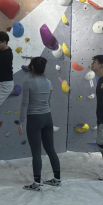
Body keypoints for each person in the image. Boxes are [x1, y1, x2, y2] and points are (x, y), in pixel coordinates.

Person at [18, 57, 61, 191]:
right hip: (47, 117)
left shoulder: (28, 82)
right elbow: (49, 102)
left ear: (31, 67)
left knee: (36, 152)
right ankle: (57, 179)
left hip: (34, 119)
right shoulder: (48, 82)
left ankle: (37, 183)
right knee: (51, 149)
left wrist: (21, 121)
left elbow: (25, 104)